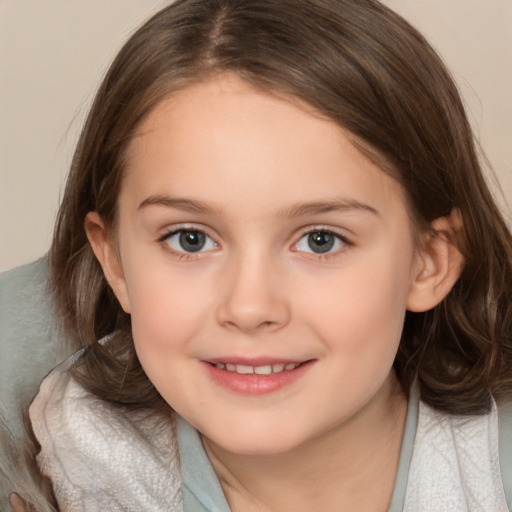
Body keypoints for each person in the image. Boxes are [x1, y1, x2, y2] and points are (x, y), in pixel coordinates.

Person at [4, 0, 512, 510]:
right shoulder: (63, 453)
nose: (249, 308)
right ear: (114, 261)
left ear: (429, 262)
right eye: (190, 239)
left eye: (320, 240)